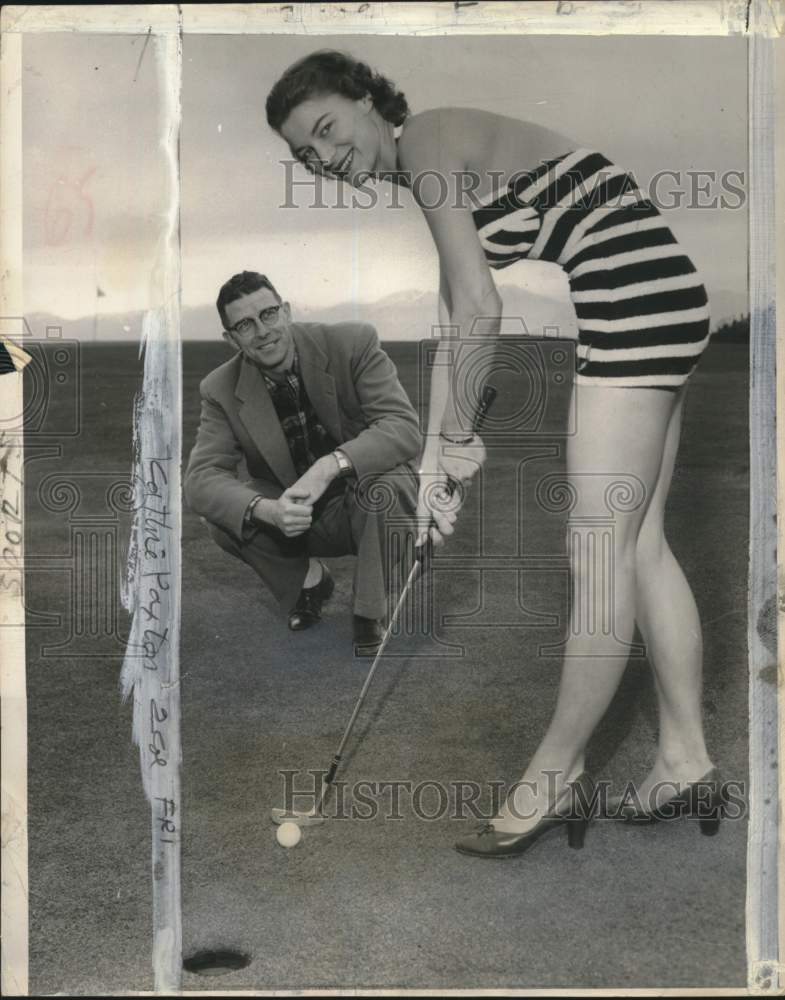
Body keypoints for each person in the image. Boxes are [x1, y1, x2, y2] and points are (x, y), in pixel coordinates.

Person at [264, 50, 725, 856]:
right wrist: (437, 467)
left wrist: (456, 438)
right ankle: (683, 757)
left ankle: (555, 772)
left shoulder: (429, 140)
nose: (326, 158)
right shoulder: (427, 170)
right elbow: (455, 326)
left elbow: (483, 305)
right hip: (658, 296)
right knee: (638, 541)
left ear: (368, 100)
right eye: (307, 154)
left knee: (599, 552)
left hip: (631, 308)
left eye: (327, 129)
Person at [184, 270, 424, 655]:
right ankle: (308, 582)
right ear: (231, 340)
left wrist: (330, 465)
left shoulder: (352, 343)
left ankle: (368, 612)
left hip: (365, 504)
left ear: (288, 311)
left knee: (387, 486)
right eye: (245, 325)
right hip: (295, 520)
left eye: (269, 314)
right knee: (223, 515)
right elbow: (200, 479)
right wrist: (267, 511)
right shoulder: (219, 388)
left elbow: (402, 427)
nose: (262, 331)